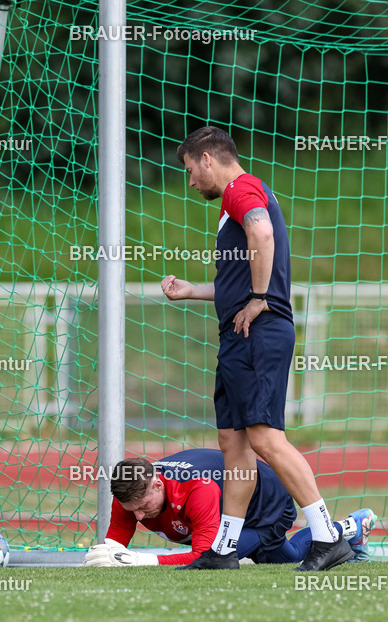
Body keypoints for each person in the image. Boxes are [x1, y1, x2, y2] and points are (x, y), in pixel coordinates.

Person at [161, 126, 353, 570]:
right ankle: (224, 549)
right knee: (233, 442)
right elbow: (239, 278)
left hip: (258, 331)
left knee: (265, 438)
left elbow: (262, 236)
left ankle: (327, 536)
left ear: (207, 159)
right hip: (239, 332)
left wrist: (260, 299)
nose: (191, 182)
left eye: (191, 170)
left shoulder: (240, 190)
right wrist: (194, 291)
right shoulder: (236, 199)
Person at [83, 451, 375, 567]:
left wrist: (138, 561)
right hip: (229, 504)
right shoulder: (130, 491)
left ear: (158, 486)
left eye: (142, 507)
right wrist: (104, 554)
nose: (137, 516)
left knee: (284, 558)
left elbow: (203, 556)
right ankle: (344, 529)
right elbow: (113, 547)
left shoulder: (198, 490)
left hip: (267, 505)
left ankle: (347, 527)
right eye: (129, 509)